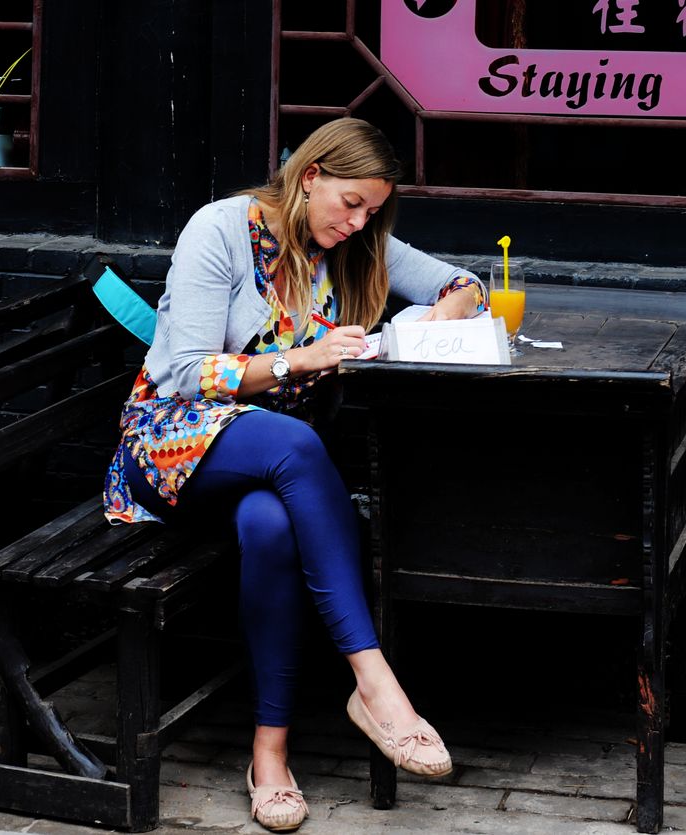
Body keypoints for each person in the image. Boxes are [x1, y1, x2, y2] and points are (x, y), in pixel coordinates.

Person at [102, 118, 487, 832]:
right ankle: (374, 682)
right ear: (310, 177)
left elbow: (465, 281)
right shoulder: (220, 231)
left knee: (272, 525)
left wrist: (449, 307)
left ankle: (269, 755)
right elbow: (180, 372)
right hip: (170, 447)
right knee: (295, 444)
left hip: (271, 472)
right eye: (350, 202)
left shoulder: (352, 237)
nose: (360, 220)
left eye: (373, 209)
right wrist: (296, 361)